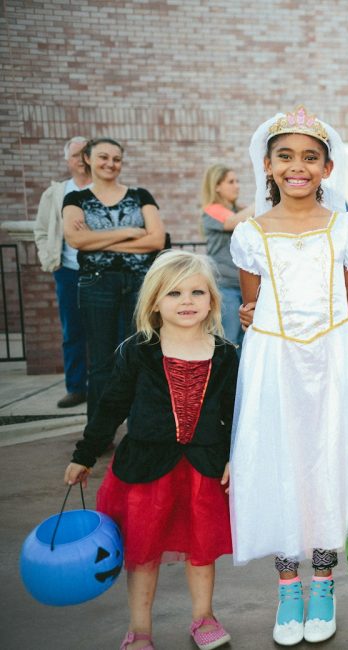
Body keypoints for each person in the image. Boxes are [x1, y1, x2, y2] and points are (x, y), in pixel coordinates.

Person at [228, 105, 348, 646]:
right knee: (280, 463)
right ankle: (288, 589)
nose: (298, 167)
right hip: (275, 364)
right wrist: (257, 318)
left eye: (310, 157)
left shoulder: (347, 229)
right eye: (285, 156)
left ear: (327, 169)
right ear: (268, 165)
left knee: (326, 462)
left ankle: (323, 580)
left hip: (332, 361)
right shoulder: (250, 234)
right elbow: (253, 303)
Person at [64, 250, 238, 650]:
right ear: (155, 302)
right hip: (146, 470)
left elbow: (235, 413)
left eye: (197, 292)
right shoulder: (137, 351)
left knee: (201, 548)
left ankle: (204, 617)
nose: (187, 301)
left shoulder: (227, 355)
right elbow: (111, 406)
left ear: (212, 299)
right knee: (143, 552)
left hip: (204, 469)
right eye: (174, 293)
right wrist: (83, 455)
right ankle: (139, 629)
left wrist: (234, 456)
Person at [62, 138, 166, 421]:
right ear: (88, 159)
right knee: (100, 362)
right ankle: (100, 429)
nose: (110, 164)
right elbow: (75, 239)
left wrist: (96, 241)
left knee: (140, 354)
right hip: (97, 284)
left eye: (116, 159)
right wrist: (130, 232)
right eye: (103, 157)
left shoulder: (141, 195)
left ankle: (140, 426)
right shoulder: (75, 199)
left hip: (138, 283)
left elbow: (156, 239)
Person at [33, 136, 90, 408]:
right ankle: (77, 387)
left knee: (109, 330)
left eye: (86, 153)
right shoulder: (56, 192)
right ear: (67, 161)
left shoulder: (102, 188)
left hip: (100, 273)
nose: (82, 159)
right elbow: (41, 229)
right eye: (77, 154)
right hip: (67, 271)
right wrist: (49, 259)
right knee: (72, 330)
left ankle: (109, 387)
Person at [200, 164, 253, 347]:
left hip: (246, 286)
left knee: (247, 340)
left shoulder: (241, 210)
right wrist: (261, 201)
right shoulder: (211, 210)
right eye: (231, 182)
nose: (236, 185)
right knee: (228, 341)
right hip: (225, 287)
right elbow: (231, 223)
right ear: (217, 186)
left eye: (237, 181)